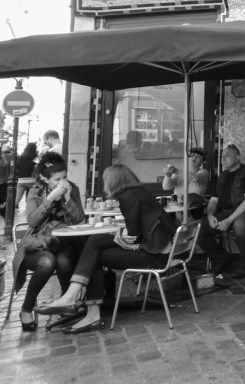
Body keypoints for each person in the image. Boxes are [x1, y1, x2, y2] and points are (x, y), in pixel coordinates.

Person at [35, 163, 178, 334]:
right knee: (95, 247)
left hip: (153, 256)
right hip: (160, 251)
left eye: (105, 181)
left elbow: (133, 237)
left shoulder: (127, 198)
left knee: (95, 249)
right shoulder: (140, 192)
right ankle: (83, 306)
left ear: (113, 181)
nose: (104, 185)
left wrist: (116, 236)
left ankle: (81, 305)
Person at [12, 152, 84, 331]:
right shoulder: (35, 192)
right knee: (46, 262)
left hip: (64, 243)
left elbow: (79, 218)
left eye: (65, 178)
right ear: (45, 178)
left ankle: (66, 303)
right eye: (57, 179)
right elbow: (32, 222)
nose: (62, 183)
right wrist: (50, 199)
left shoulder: (72, 189)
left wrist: (67, 199)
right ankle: (26, 309)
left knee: (64, 261)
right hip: (38, 245)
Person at [197, 144, 245, 279]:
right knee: (200, 229)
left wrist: (229, 219)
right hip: (225, 213)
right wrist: (210, 216)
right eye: (221, 157)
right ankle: (221, 257)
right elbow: (213, 201)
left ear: (238, 158)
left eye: (227, 156)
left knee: (240, 224)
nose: (223, 159)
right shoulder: (222, 176)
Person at [14, 141, 39, 208]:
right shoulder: (35, 157)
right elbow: (37, 169)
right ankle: (29, 210)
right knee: (30, 199)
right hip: (32, 181)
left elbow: (17, 168)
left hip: (21, 181)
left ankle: (9, 212)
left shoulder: (20, 158)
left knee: (16, 200)